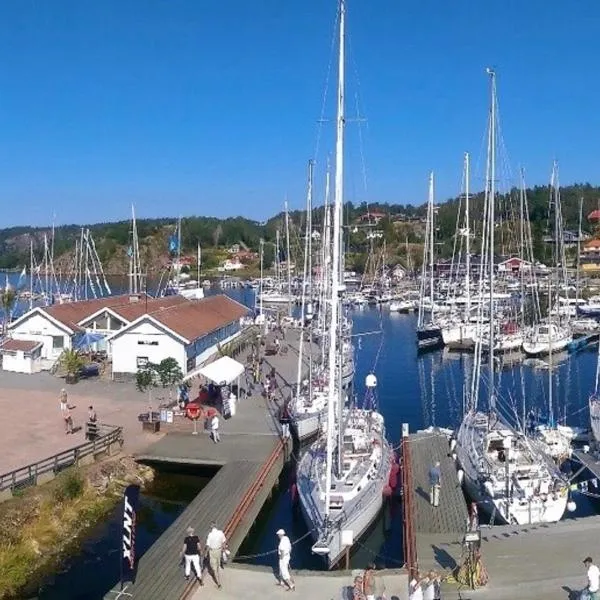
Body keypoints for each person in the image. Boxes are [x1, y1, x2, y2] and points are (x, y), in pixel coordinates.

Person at [205, 522, 227, 588]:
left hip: (212, 551)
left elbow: (208, 545)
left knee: (213, 567)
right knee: (218, 561)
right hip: (219, 550)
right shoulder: (220, 532)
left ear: (211, 527)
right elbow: (224, 541)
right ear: (216, 526)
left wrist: (206, 553)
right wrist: (223, 548)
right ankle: (218, 568)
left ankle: (218, 583)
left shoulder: (210, 535)